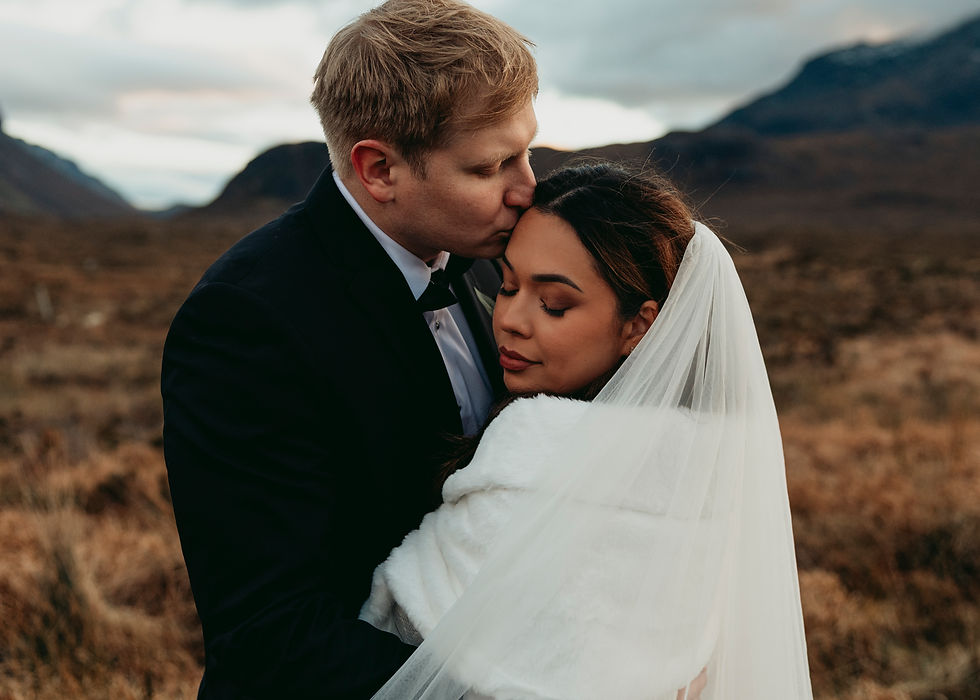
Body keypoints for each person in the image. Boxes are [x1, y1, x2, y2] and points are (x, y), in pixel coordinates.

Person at [160, 1, 537, 697]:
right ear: (379, 170)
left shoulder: (491, 262)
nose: (527, 189)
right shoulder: (246, 323)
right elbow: (271, 632)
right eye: (490, 167)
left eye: (527, 151)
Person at [360, 163, 815, 698]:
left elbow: (399, 628)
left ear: (638, 326)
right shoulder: (709, 468)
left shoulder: (531, 458)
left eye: (554, 304)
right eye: (506, 286)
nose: (510, 319)